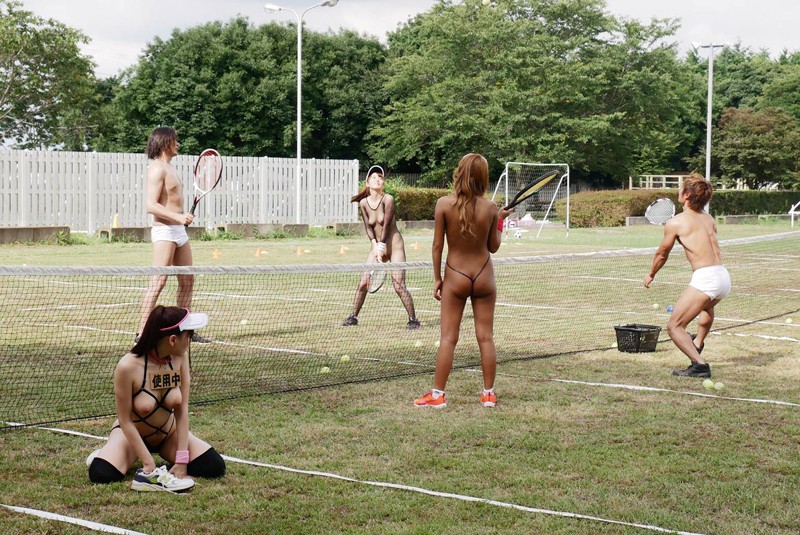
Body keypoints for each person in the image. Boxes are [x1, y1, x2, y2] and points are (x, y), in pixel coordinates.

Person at [87, 305, 225, 492]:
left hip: (168, 435)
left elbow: (182, 409)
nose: (190, 341)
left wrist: (182, 460)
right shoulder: (127, 366)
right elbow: (125, 420)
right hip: (131, 436)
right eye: (189, 336)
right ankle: (108, 453)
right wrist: (148, 463)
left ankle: (119, 454)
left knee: (214, 466)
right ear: (173, 340)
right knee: (102, 474)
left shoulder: (180, 357)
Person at [415, 154, 512, 408]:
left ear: (459, 173)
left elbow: (437, 246)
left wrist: (437, 278)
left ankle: (437, 395)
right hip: (483, 276)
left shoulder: (443, 204)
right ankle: (488, 394)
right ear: (483, 178)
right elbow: (493, 247)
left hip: (455, 275)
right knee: (486, 337)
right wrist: (500, 219)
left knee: (448, 338)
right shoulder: (490, 208)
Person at [644, 173, 731, 378]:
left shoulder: (676, 223)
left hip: (706, 278)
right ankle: (698, 343)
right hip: (723, 277)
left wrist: (651, 274)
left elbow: (662, 254)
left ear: (687, 195)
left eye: (682, 188)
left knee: (674, 326)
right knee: (707, 306)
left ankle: (699, 366)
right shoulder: (709, 218)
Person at [136, 126, 208, 343]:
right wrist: (178, 217)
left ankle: (185, 331)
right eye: (175, 140)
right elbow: (151, 205)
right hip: (165, 231)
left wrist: (180, 220)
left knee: (187, 281)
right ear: (165, 142)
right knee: (158, 282)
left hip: (179, 231)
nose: (178, 144)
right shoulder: (156, 169)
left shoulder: (171, 168)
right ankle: (142, 334)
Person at [342, 165, 421, 330]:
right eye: (374, 177)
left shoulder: (388, 199)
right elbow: (368, 227)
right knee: (363, 283)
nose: (377, 179)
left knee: (398, 285)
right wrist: (374, 246)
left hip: (394, 245)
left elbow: (386, 224)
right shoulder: (363, 203)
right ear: (367, 183)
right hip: (376, 246)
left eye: (380, 177)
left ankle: (413, 319)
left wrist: (381, 246)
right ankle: (353, 317)